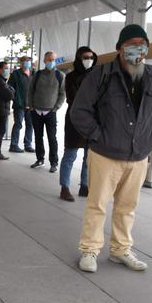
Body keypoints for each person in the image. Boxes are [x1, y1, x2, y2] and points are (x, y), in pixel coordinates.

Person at [72, 24, 152, 273]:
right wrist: (98, 137)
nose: (139, 49)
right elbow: (80, 111)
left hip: (138, 156)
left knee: (127, 207)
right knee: (97, 205)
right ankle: (90, 250)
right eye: (133, 44)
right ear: (120, 48)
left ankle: (120, 249)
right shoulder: (101, 75)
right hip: (105, 154)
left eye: (143, 44)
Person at [60, 46, 97, 202]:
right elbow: (72, 98)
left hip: (93, 121)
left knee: (89, 157)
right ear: (78, 59)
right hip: (75, 119)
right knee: (70, 155)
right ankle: (65, 187)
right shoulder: (71, 77)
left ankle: (84, 185)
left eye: (91, 57)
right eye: (85, 57)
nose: (88, 60)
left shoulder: (97, 75)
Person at [27, 51, 66, 173]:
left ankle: (54, 162)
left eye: (53, 59)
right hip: (36, 111)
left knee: (52, 138)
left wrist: (56, 108)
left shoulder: (60, 76)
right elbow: (30, 91)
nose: (51, 62)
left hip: (50, 112)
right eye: (49, 60)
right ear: (44, 61)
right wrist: (31, 106)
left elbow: (62, 93)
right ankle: (40, 159)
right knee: (38, 137)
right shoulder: (38, 75)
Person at [8, 56, 35, 153]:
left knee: (30, 125)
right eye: (24, 61)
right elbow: (10, 87)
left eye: (28, 61)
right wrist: (15, 98)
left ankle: (28, 145)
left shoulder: (33, 73)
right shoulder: (16, 74)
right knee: (18, 124)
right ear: (21, 63)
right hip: (19, 105)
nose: (27, 63)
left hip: (31, 105)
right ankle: (13, 145)